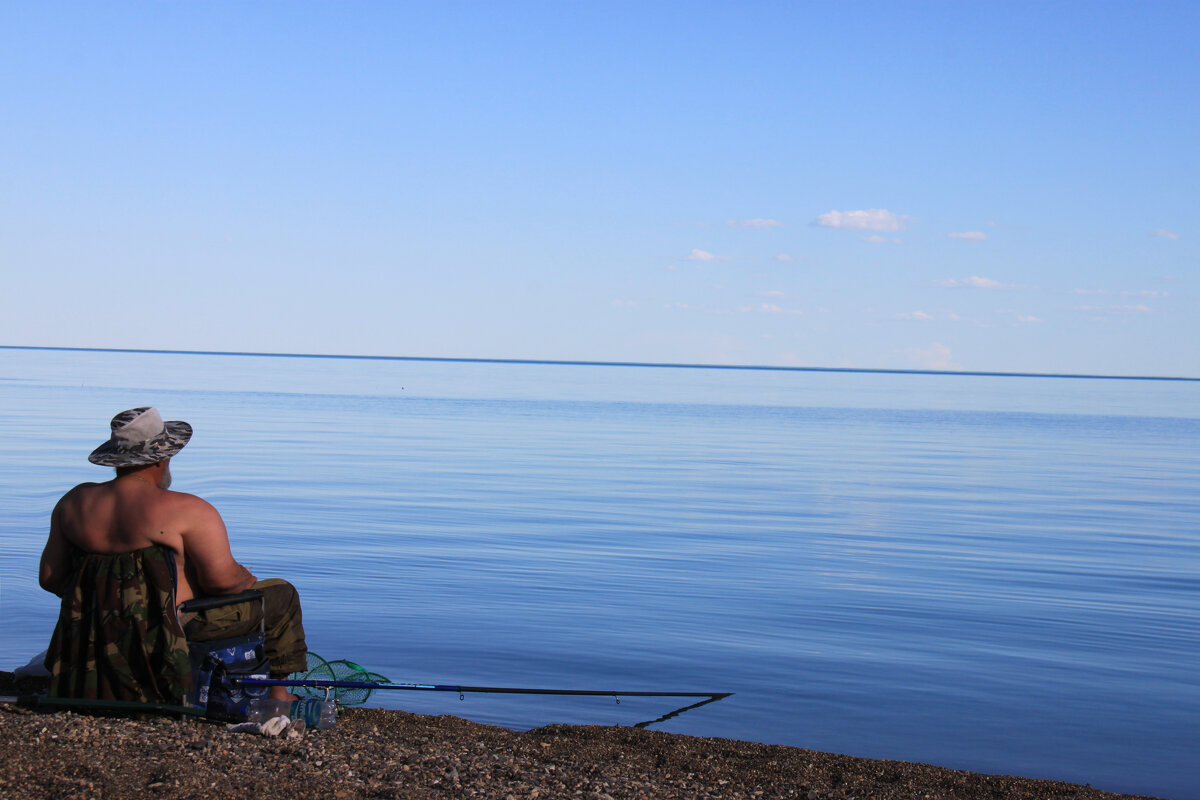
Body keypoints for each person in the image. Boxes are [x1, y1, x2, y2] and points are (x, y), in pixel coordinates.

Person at [39, 406, 306, 703]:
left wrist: (109, 600)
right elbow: (223, 584)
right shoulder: (188, 510)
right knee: (282, 594)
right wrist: (242, 578)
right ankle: (278, 694)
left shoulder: (74, 502)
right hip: (172, 627)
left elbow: (50, 579)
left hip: (95, 630)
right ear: (161, 459)